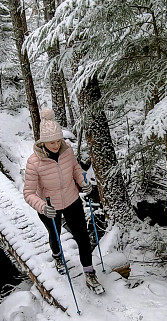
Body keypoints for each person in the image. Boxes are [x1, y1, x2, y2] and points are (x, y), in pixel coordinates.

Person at [23, 108, 104, 294]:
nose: (55, 145)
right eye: (51, 142)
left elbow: (76, 169)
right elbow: (28, 193)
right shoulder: (33, 162)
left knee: (83, 236)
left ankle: (89, 273)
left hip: (71, 199)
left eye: (58, 140)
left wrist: (83, 181)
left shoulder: (67, 151)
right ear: (43, 142)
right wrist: (42, 206)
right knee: (55, 233)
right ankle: (58, 256)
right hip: (49, 206)